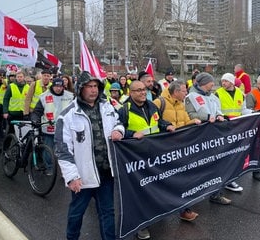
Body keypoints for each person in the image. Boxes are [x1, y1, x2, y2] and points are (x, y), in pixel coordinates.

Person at [54, 71, 125, 240]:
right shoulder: (68, 115)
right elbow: (63, 149)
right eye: (89, 86)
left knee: (107, 213)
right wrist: (72, 177)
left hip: (106, 172)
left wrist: (118, 130)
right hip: (83, 176)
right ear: (80, 89)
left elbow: (119, 123)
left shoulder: (107, 107)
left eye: (96, 86)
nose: (93, 90)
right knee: (76, 214)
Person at [118, 80, 175, 240]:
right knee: (140, 192)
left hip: (155, 155)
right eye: (138, 90)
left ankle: (156, 213)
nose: (142, 92)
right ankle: (142, 226)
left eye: (144, 89)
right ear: (131, 93)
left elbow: (159, 122)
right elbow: (117, 129)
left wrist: (167, 125)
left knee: (156, 186)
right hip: (135, 158)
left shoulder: (152, 106)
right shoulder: (124, 109)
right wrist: (130, 134)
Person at [153, 80, 201, 222]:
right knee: (164, 181)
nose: (186, 93)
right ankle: (158, 210)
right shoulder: (158, 102)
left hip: (180, 147)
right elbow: (153, 122)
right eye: (184, 91)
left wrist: (195, 121)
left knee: (182, 179)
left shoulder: (181, 104)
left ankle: (184, 209)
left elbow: (185, 122)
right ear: (176, 92)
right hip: (164, 149)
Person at [184, 72, 231, 205]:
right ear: (204, 83)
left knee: (217, 165)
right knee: (199, 167)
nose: (213, 84)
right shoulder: (191, 97)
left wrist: (220, 116)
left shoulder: (212, 97)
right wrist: (205, 118)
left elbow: (217, 110)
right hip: (199, 136)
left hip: (214, 135)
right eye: (211, 82)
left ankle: (216, 193)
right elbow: (190, 114)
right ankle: (195, 196)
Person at [215, 73, 252, 192]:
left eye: (226, 81)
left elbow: (243, 110)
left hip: (237, 127)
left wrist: (254, 113)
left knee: (234, 152)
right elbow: (216, 110)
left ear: (231, 82)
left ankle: (230, 177)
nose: (223, 83)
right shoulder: (218, 93)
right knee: (225, 153)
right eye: (222, 81)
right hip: (224, 127)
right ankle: (226, 179)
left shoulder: (240, 94)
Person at [31, 78, 74, 151]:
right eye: (56, 86)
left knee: (64, 152)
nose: (58, 88)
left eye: (60, 86)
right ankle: (49, 162)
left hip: (65, 130)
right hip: (49, 129)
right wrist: (35, 120)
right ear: (52, 86)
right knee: (49, 152)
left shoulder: (70, 96)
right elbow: (37, 111)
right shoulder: (44, 96)